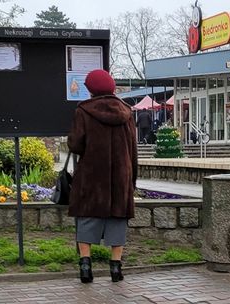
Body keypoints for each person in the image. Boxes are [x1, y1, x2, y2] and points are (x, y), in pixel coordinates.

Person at [67, 69, 138, 283]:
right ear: (112, 86)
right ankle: (115, 269)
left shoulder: (83, 111)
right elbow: (133, 149)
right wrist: (131, 179)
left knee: (87, 217)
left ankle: (85, 268)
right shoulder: (126, 112)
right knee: (118, 218)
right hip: (120, 175)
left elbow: (76, 144)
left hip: (91, 175)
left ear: (90, 89)